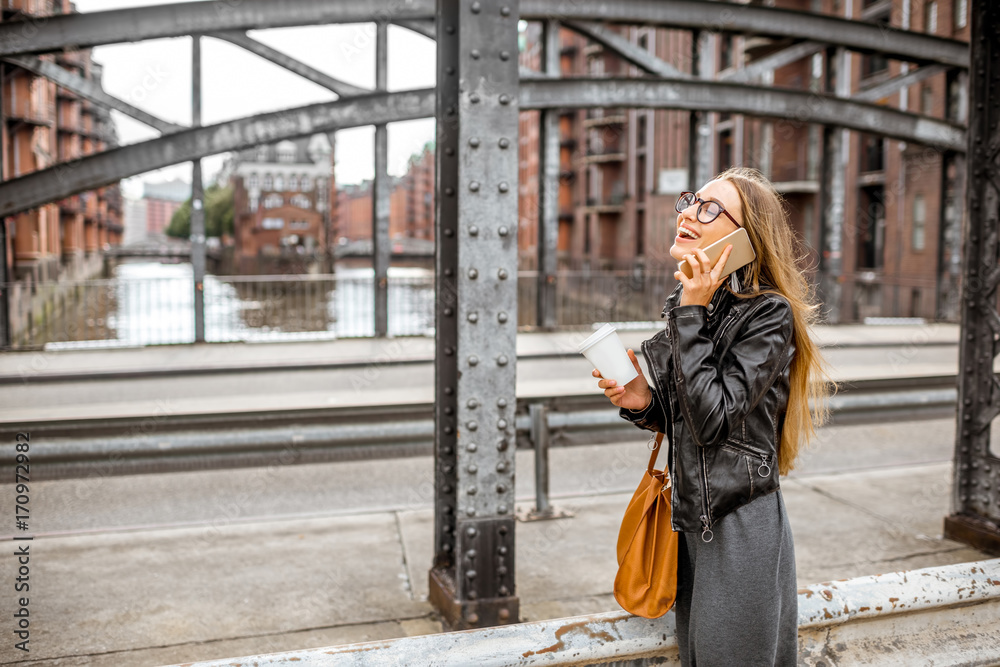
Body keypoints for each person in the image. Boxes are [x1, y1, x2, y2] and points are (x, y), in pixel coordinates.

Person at [593, 166, 831, 665]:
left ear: (746, 239)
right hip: (692, 519)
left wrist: (690, 314)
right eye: (689, 201)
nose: (688, 214)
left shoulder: (768, 314)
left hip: (740, 521)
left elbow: (713, 420)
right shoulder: (703, 307)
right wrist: (644, 403)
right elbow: (692, 422)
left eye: (709, 208)